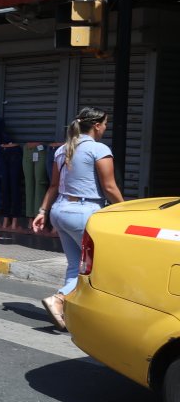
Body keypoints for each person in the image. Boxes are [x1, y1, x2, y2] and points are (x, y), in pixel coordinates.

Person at [31, 107, 123, 331]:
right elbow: (109, 187)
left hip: (60, 211)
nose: (105, 128)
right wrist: (126, 209)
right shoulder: (98, 149)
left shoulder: (63, 149)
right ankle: (60, 298)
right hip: (84, 212)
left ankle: (66, 311)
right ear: (96, 125)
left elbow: (53, 185)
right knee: (94, 268)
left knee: (75, 265)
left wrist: (42, 211)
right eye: (105, 124)